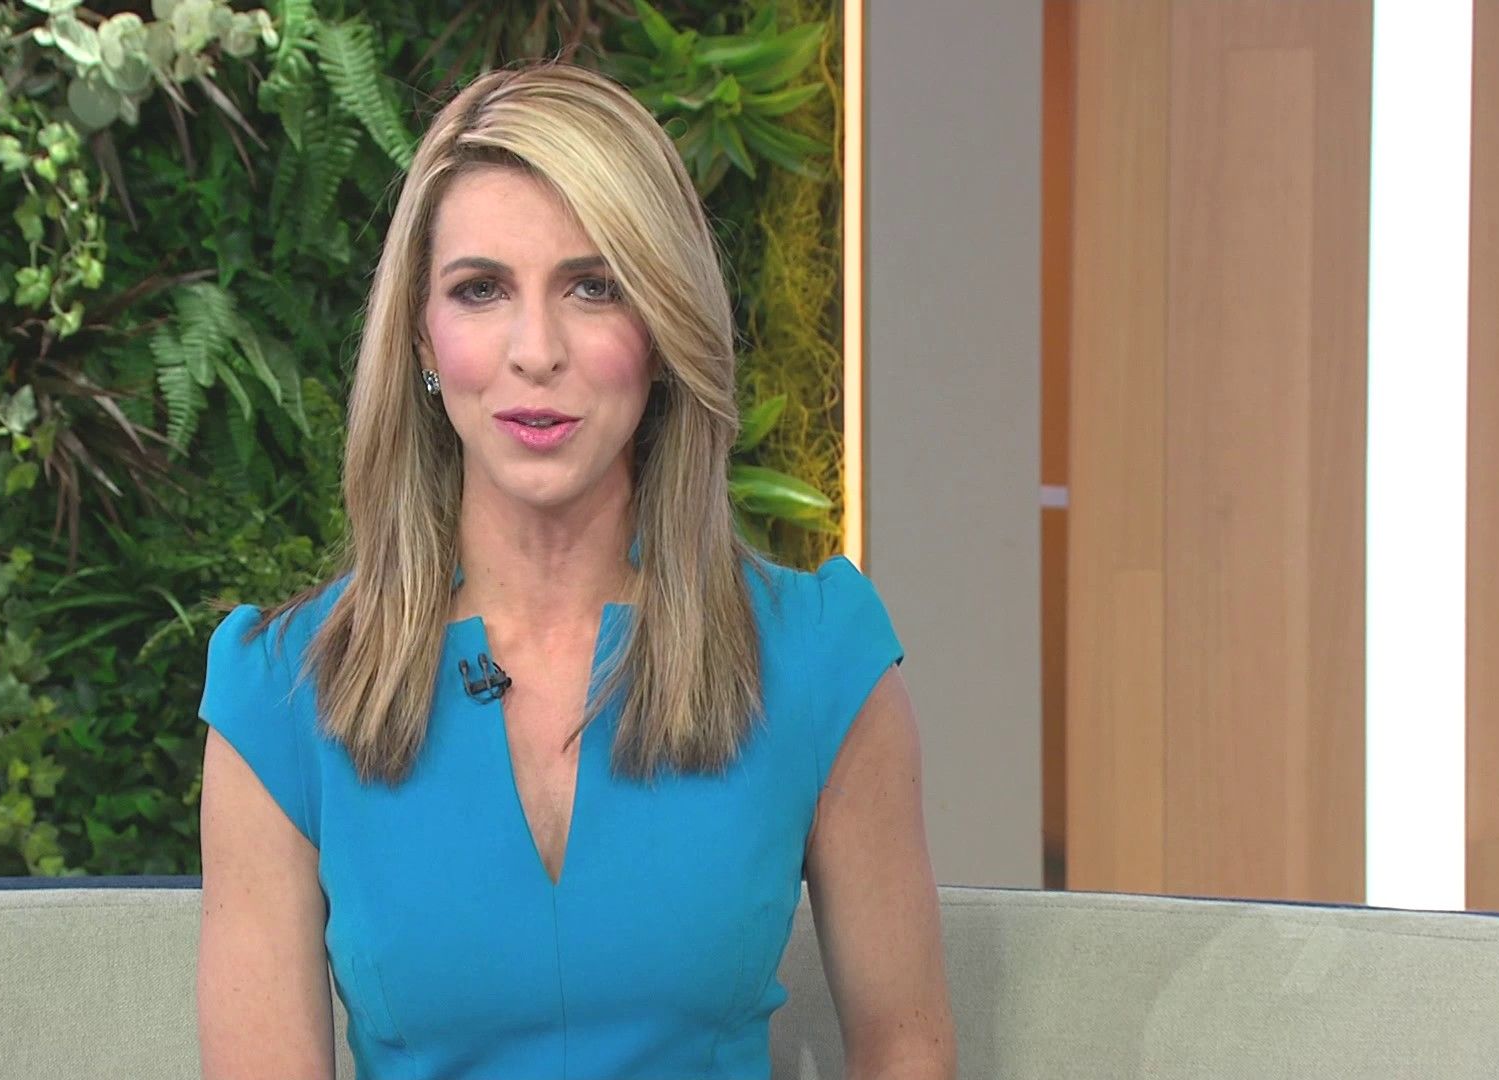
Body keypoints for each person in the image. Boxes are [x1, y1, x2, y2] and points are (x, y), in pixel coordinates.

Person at [196, 59, 954, 1080]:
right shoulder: (278, 697)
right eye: (481, 290)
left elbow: (906, 1049)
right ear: (423, 337)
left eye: (594, 287)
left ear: (662, 327)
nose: (536, 350)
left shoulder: (821, 661)